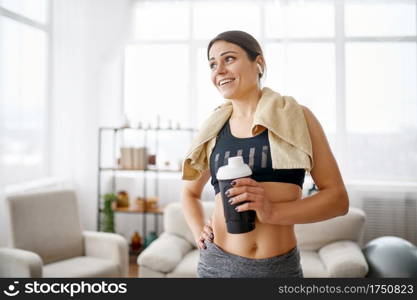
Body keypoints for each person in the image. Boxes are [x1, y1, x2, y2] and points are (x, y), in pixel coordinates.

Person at [181, 30, 349, 278]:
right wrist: (199, 232)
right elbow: (189, 192)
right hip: (217, 265)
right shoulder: (214, 129)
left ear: (259, 63)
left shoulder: (297, 118)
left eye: (229, 59)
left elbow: (338, 200)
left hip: (279, 269)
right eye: (212, 64)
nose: (219, 71)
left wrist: (272, 212)